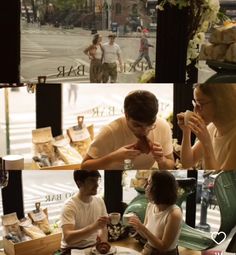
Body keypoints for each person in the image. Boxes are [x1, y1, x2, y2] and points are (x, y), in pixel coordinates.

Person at [81, 90, 175, 170]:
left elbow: (171, 165)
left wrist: (162, 160)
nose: (145, 131)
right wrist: (112, 158)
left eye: (150, 125)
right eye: (137, 125)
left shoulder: (162, 126)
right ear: (126, 116)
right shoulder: (110, 131)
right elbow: (84, 166)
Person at [177, 83, 236, 171]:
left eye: (201, 104)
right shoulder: (213, 127)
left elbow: (221, 182)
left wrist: (206, 143)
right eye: (195, 103)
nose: (196, 110)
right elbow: (187, 162)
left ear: (220, 101)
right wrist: (186, 131)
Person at [129, 170, 182, 255]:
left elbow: (164, 247)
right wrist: (137, 226)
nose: (145, 186)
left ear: (159, 188)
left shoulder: (174, 213)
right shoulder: (150, 205)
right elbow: (145, 236)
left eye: (149, 183)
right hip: (148, 249)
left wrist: (142, 228)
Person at [60, 170, 109, 254]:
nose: (97, 185)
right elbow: (68, 238)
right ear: (79, 183)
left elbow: (103, 227)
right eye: (92, 181)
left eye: (97, 180)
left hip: (93, 247)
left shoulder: (99, 201)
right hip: (71, 249)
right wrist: (94, 227)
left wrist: (103, 243)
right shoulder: (70, 206)